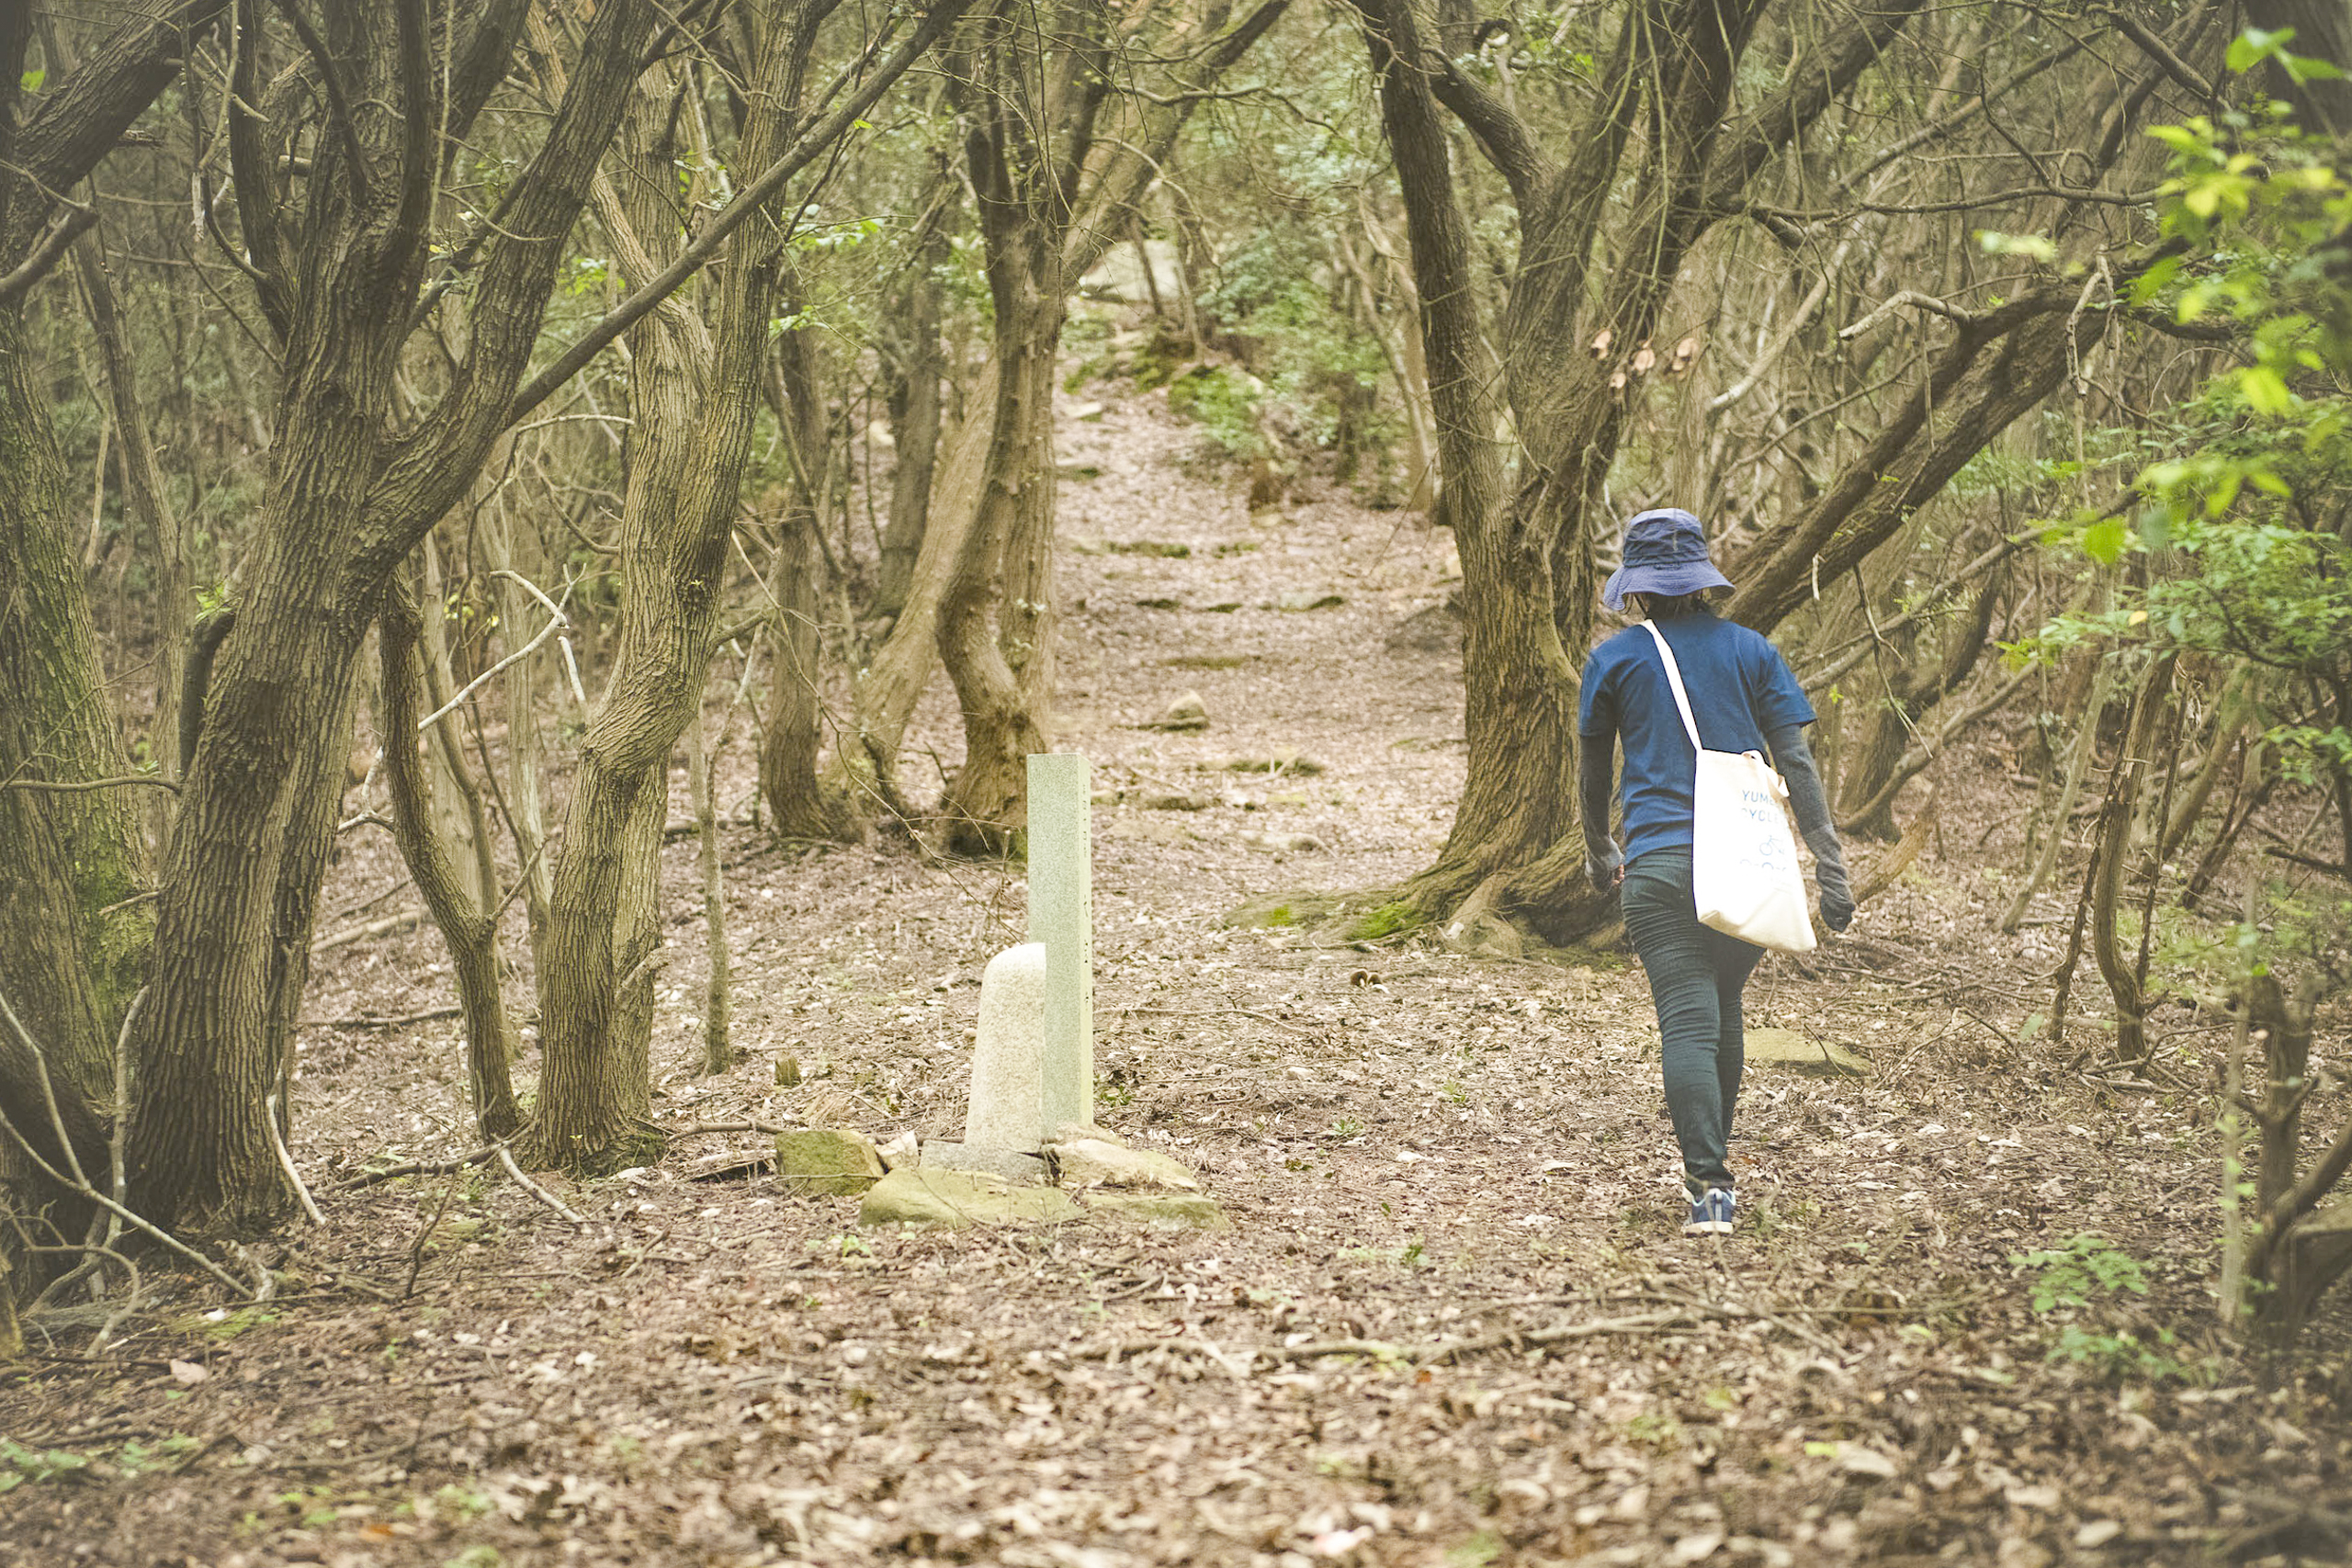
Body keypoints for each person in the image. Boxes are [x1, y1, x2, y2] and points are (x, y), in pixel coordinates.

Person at [1577, 508, 1853, 1236]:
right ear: (1702, 579)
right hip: (1747, 864)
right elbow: (1797, 761)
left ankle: (1709, 1184)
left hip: (1661, 867)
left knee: (1688, 1020)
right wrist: (1831, 865)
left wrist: (1600, 847)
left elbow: (1592, 769)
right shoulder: (1753, 651)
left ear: (1635, 588)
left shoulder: (1614, 661)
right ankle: (1714, 1176)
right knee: (1723, 1009)